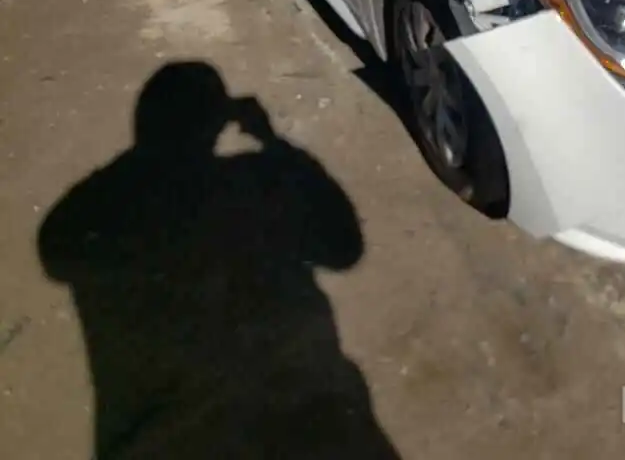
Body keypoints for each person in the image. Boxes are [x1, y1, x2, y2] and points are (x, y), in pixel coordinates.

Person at [38, 62, 400, 460]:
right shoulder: (252, 181)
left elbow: (57, 244)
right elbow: (346, 247)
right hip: (296, 417)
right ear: (219, 120)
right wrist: (272, 140)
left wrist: (142, 158)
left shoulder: (107, 216)